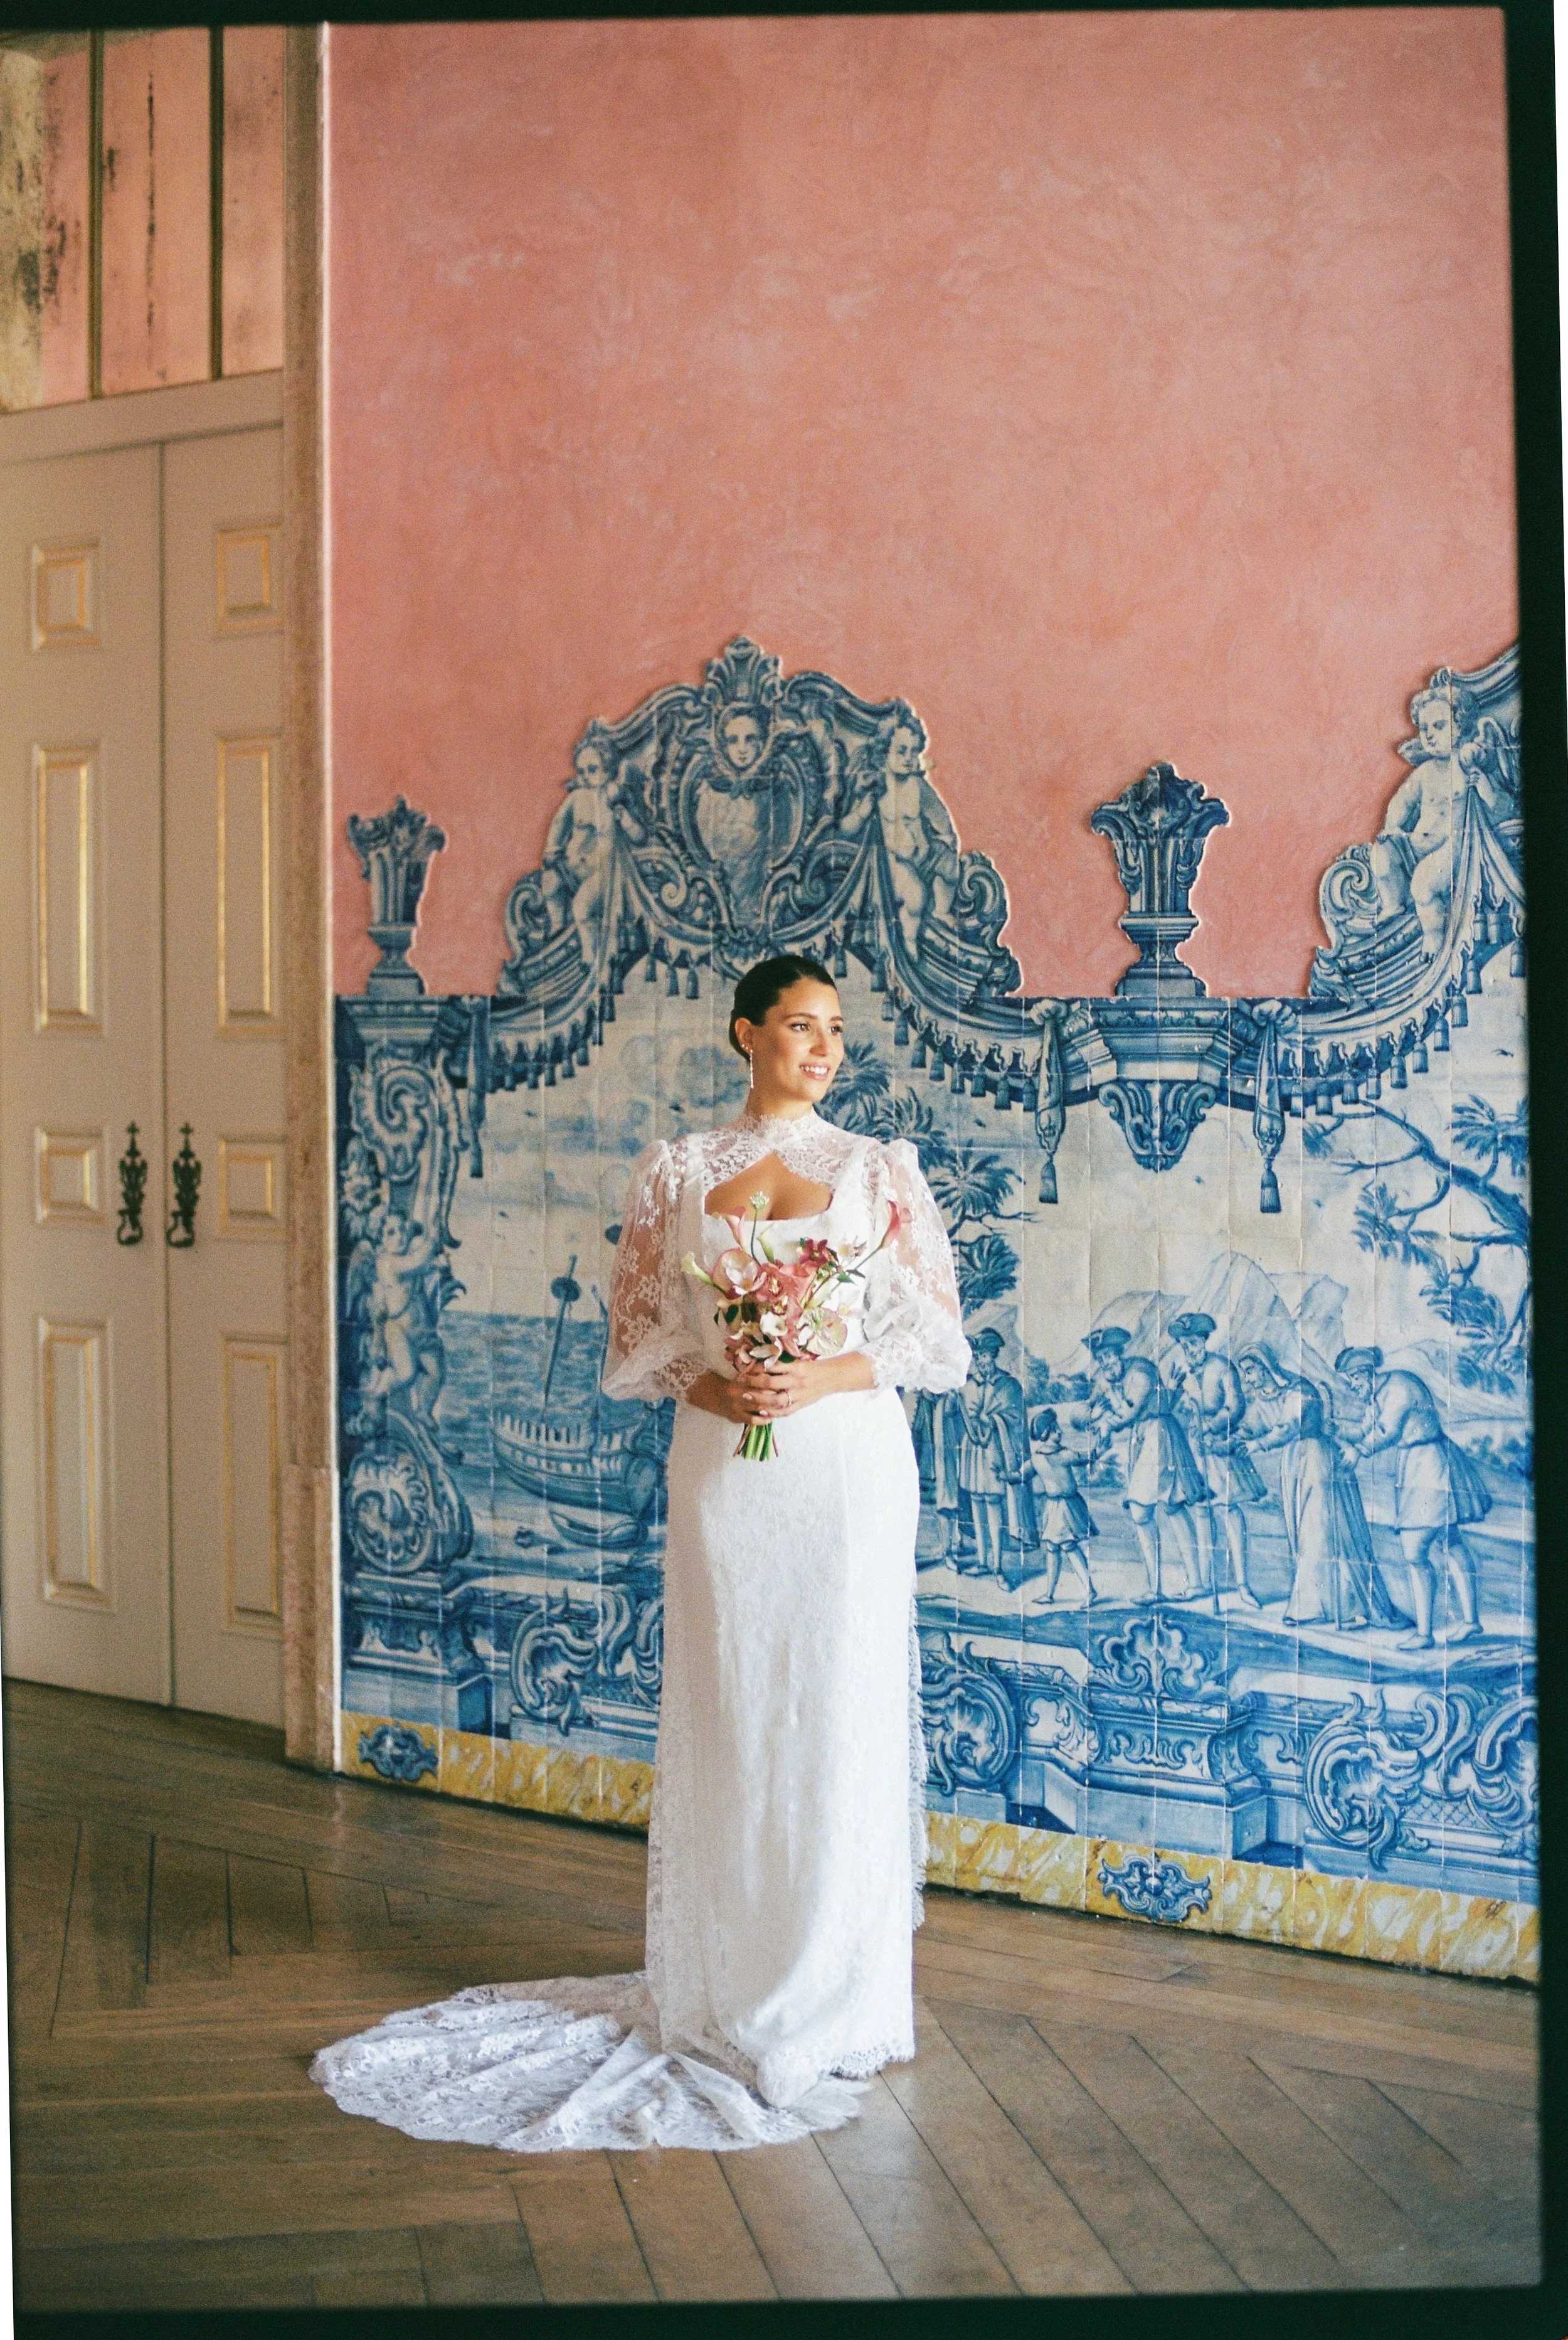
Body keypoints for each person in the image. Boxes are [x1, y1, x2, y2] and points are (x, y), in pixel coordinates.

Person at [312, 954, 970, 2152]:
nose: (823, 1049)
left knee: (835, 1710)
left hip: (843, 1470)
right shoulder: (678, 1170)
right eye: (799, 1027)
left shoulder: (880, 1172)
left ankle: (830, 2001)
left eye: (836, 1031)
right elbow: (641, 1342)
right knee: (733, 1707)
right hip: (724, 1468)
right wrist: (722, 1382)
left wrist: (810, 1372)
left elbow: (933, 1341)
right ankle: (725, 1993)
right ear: (745, 1034)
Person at [1334, 1346, 1489, 1649]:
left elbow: (1387, 1431)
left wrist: (1360, 1451)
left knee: (1415, 1551)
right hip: (1417, 1465)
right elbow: (1367, 1427)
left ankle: (1425, 1634)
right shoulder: (1377, 1395)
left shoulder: (1400, 1387)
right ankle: (1469, 1622)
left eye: (1353, 1379)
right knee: (1450, 1542)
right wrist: (1337, 1428)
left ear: (1365, 1373)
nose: (1352, 1386)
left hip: (1429, 1465)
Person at [1235, 1347, 1395, 1629]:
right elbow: (1252, 1426)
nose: (1247, 1379)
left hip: (1318, 1459)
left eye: (1250, 1371)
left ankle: (1337, 1608)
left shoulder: (1300, 1390)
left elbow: (1288, 1426)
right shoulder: (1267, 1397)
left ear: (1265, 1367)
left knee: (1320, 1531)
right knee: (1302, 1531)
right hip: (1295, 1462)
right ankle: (1318, 1604)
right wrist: (1230, 1439)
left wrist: (1257, 1445)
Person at [1087, 1325, 1205, 1600]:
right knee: (1173, 1507)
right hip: (1147, 1436)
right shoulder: (1116, 1379)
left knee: (1145, 1511)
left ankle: (1162, 1587)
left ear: (1119, 1354)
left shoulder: (1139, 1373)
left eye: (1107, 1357)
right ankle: (1187, 1583)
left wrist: (1105, 1423)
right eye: (1100, 1359)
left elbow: (1128, 1414)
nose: (1104, 1364)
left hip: (1159, 1435)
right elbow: (1093, 1411)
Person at [1165, 1314, 1264, 1610]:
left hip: (1219, 1448)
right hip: (1192, 1451)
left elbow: (1236, 1407)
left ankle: (1243, 1585)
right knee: (1200, 1511)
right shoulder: (1179, 1372)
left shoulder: (1222, 1367)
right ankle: (1201, 1583)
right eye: (1185, 1345)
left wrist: (1212, 1426)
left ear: (1204, 1341)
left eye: (1194, 1343)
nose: (1190, 1350)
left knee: (1227, 1509)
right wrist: (1171, 1391)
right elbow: (1169, 1410)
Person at [955, 1328, 1039, 1575]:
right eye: (978, 1356)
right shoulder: (968, 1386)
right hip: (973, 1452)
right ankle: (982, 1562)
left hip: (995, 1451)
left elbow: (1015, 1420)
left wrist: (993, 1420)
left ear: (994, 1356)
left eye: (986, 1356)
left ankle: (997, 1564)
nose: (982, 1362)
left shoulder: (1009, 1386)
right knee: (976, 1504)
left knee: (993, 1504)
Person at [1025, 1407, 1098, 1607]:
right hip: (1054, 1507)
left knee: (1066, 1546)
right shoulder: (1040, 1457)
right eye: (1056, 1429)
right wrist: (1006, 1476)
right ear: (1046, 1434)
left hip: (1067, 1506)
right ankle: (1050, 1594)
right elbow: (1021, 1474)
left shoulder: (1064, 1454)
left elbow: (1088, 1457)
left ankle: (1089, 1591)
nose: (1060, 1432)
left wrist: (1098, 1442)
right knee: (1053, 1547)